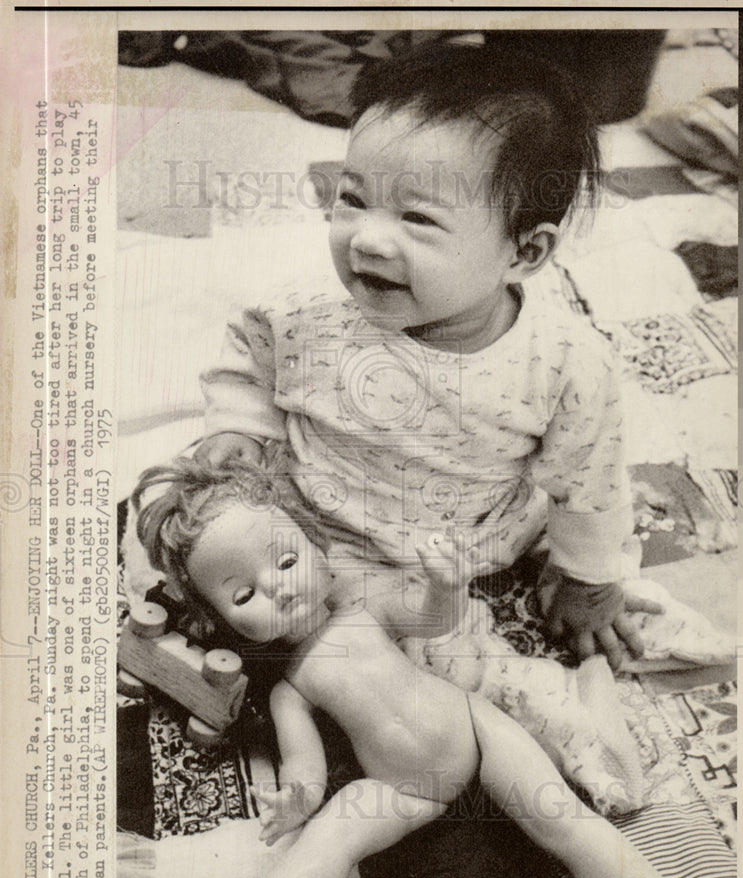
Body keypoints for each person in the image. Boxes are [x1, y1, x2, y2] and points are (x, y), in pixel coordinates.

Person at [133, 458, 721, 878]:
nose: (277, 588)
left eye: (285, 563)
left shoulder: (366, 608)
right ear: (223, 622)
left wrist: (446, 585)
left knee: (562, 818)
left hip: (478, 732)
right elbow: (304, 765)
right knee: (332, 837)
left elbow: (431, 618)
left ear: (316, 545)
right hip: (401, 787)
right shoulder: (290, 688)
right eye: (244, 595)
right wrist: (297, 800)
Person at [194, 40, 657, 670]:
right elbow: (250, 354)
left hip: (459, 550)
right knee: (182, 539)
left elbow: (590, 484)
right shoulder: (305, 310)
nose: (369, 239)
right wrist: (239, 428)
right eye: (353, 200)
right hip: (307, 519)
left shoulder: (565, 364)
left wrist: (588, 580)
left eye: (417, 218)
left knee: (439, 673)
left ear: (522, 254)